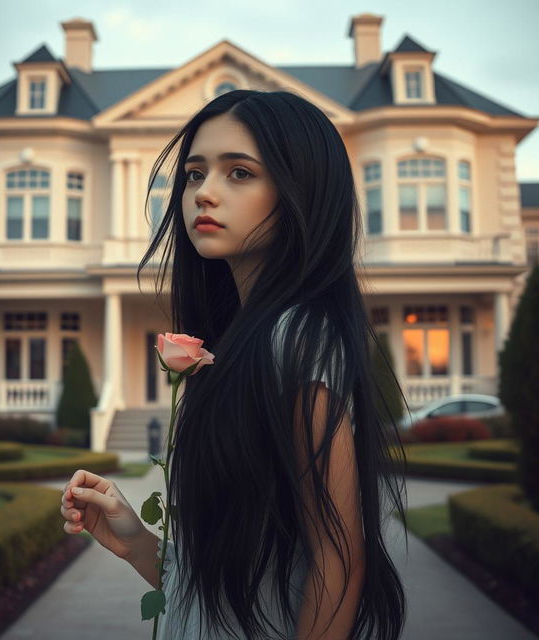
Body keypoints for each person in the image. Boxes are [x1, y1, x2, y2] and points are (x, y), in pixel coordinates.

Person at [60, 89, 409, 639]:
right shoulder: (241, 342)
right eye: (194, 174)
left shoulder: (298, 338)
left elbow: (337, 559)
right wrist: (136, 543)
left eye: (239, 173)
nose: (204, 194)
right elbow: (224, 592)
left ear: (303, 192)